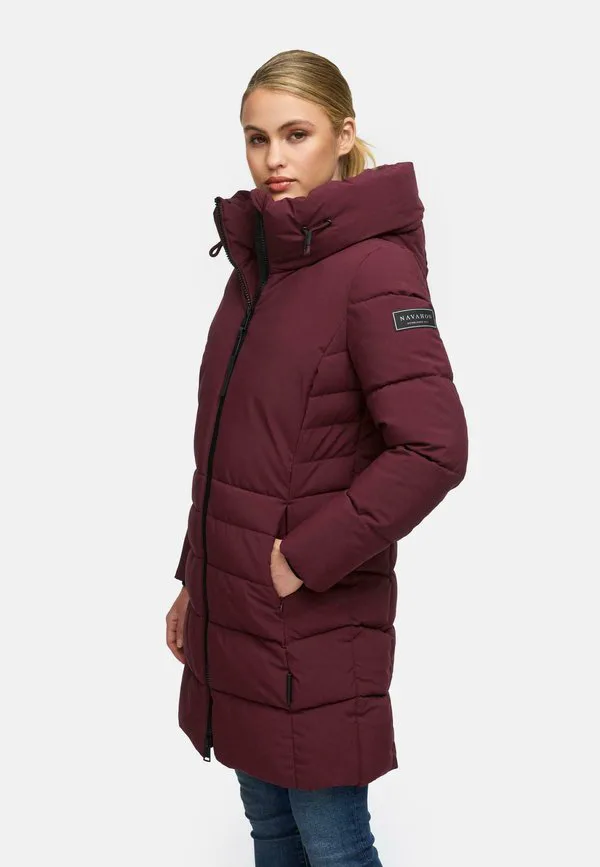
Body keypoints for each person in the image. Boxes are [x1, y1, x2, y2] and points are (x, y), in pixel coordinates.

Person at [166, 48, 469, 867]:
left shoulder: (375, 268)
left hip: (314, 623)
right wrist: (196, 581)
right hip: (239, 611)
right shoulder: (258, 268)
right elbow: (230, 450)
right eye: (256, 137)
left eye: (295, 134)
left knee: (334, 847)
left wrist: (306, 556)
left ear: (343, 134)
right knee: (272, 834)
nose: (273, 158)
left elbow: (434, 447)